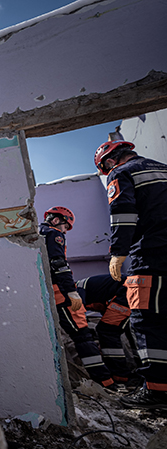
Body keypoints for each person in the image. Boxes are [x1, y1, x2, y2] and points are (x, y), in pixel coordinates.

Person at [95, 140, 167, 409]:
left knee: (147, 319)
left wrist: (118, 252)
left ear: (109, 162)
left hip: (152, 255)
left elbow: (123, 213)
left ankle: (158, 392)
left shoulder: (122, 173)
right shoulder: (163, 168)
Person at [39, 206, 115, 388]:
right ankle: (106, 382)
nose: (65, 231)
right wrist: (71, 291)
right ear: (57, 220)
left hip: (47, 291)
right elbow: (59, 263)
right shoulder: (54, 233)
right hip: (61, 293)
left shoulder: (37, 232)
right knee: (83, 335)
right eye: (66, 227)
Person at [76, 274, 140, 386]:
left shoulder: (75, 293)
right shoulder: (96, 290)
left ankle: (121, 375)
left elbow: (78, 319)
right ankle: (138, 367)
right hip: (133, 288)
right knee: (127, 329)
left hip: (128, 290)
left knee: (107, 331)